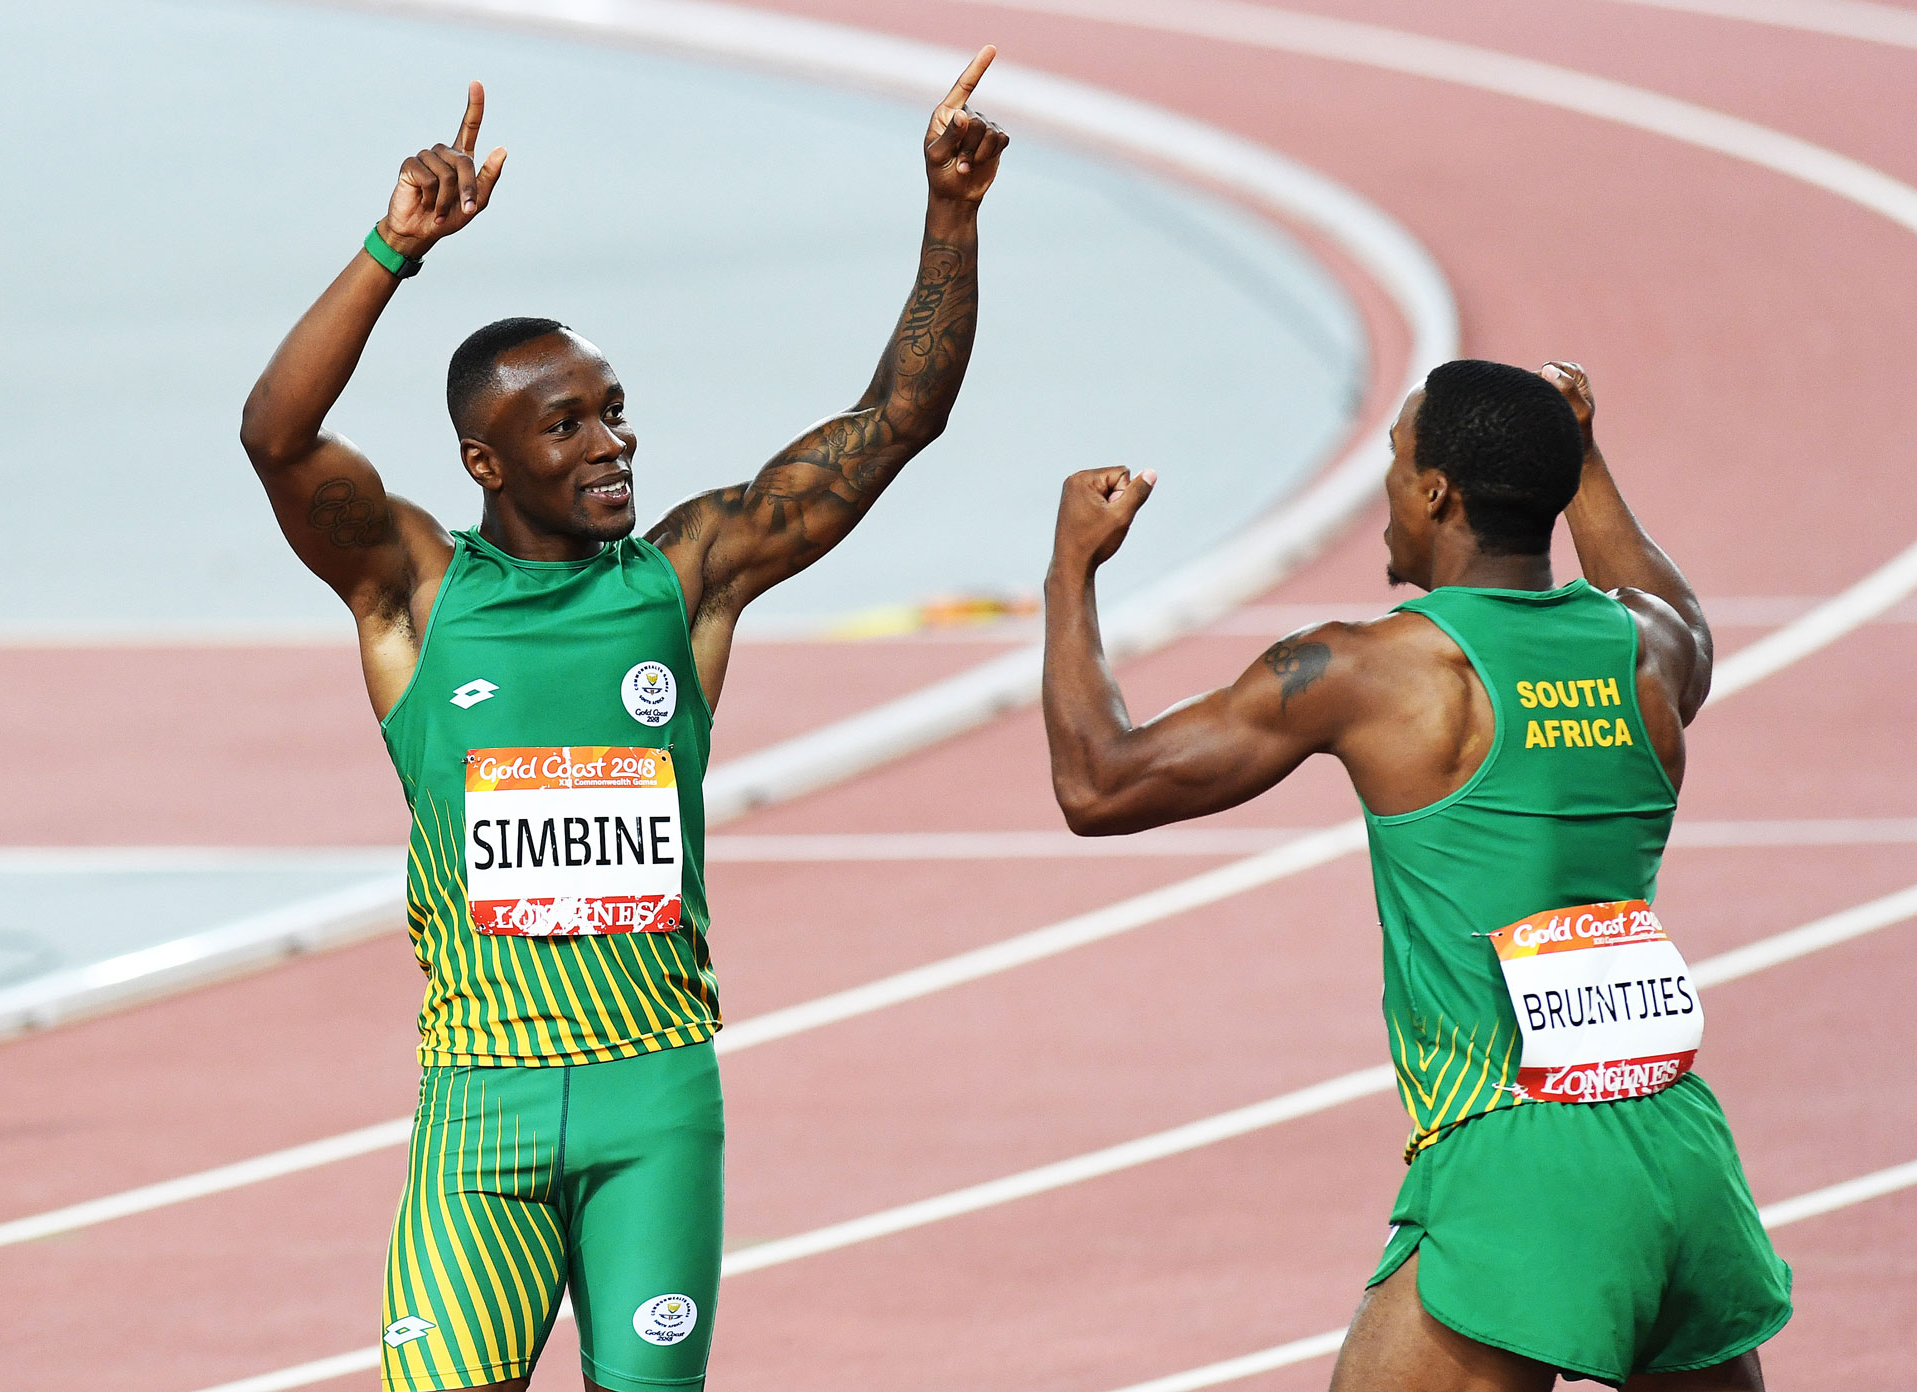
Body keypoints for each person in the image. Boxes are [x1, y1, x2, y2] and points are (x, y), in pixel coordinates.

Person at [239, 56, 1006, 1392]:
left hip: (654, 1094)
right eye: (566, 425)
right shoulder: (413, 593)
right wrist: (392, 250)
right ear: (486, 461)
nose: (611, 444)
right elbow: (277, 436)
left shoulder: (686, 576)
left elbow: (896, 421)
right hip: (481, 1106)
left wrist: (950, 212)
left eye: (615, 411)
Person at [1040, 360, 1792, 1390]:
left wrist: (1070, 572)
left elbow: (1099, 784)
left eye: (1396, 462)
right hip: (1675, 1145)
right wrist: (1580, 454)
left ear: (1435, 493)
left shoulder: (1374, 669)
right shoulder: (1649, 651)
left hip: (1515, 1156)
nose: (1386, 489)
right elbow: (1677, 607)